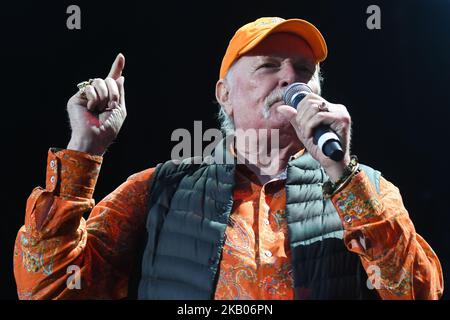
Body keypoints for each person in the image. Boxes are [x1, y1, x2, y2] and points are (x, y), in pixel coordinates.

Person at [13, 17, 443, 300]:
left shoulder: (367, 189)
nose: (291, 76)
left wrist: (342, 174)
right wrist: (84, 148)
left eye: (304, 69)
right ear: (225, 95)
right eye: (269, 65)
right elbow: (46, 288)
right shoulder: (160, 187)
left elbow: (419, 294)